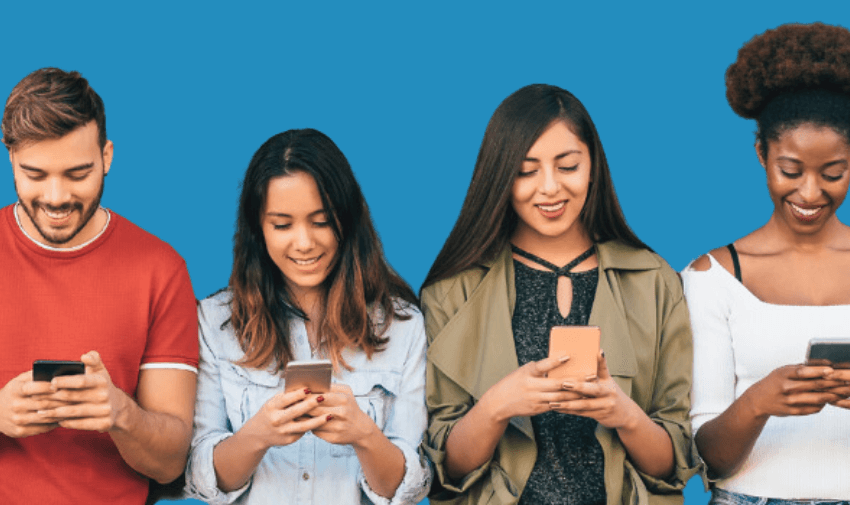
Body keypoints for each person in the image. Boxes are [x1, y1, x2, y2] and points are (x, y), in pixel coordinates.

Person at [420, 84, 698, 505]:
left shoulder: (654, 281)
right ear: (500, 177)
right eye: (526, 171)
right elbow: (447, 472)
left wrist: (623, 414)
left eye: (567, 166)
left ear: (593, 167)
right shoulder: (452, 292)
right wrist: (497, 406)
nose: (549, 188)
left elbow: (671, 467)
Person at [185, 128, 432, 504]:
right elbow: (202, 478)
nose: (304, 243)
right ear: (258, 229)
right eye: (282, 225)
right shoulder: (215, 321)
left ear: (346, 219)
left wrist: (364, 435)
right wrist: (259, 435)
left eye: (321, 221)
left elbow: (407, 489)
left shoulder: (402, 326)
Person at [0, 68, 199, 504]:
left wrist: (122, 415)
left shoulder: (160, 270)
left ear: (107, 157)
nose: (55, 197)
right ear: (10, 158)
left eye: (77, 174)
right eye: (35, 175)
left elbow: (171, 462)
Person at [681, 22, 850, 504]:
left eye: (833, 173)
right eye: (790, 171)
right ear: (761, 154)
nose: (811, 193)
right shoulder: (712, 278)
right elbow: (707, 458)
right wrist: (758, 403)